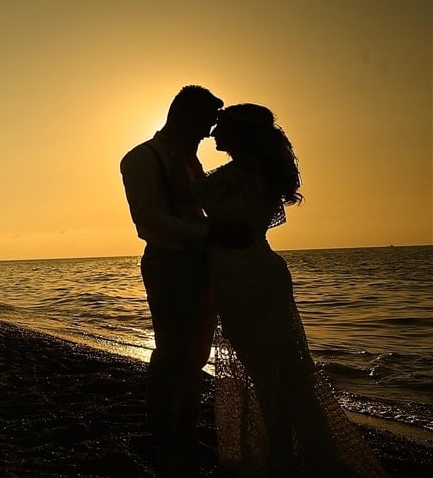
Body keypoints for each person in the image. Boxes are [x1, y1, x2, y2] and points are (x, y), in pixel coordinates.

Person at [199, 103, 387, 476]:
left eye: (221, 127)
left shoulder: (235, 178)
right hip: (259, 274)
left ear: (240, 134)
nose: (213, 133)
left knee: (268, 370)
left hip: (246, 279)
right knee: (282, 369)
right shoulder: (260, 175)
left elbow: (201, 204)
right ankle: (289, 450)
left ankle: (279, 452)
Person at [120, 85, 248, 475]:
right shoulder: (141, 158)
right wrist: (210, 233)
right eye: (206, 122)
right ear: (184, 115)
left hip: (202, 266)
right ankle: (163, 434)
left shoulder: (191, 160)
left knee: (196, 355)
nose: (210, 132)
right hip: (169, 264)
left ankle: (186, 431)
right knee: (171, 352)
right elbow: (148, 220)